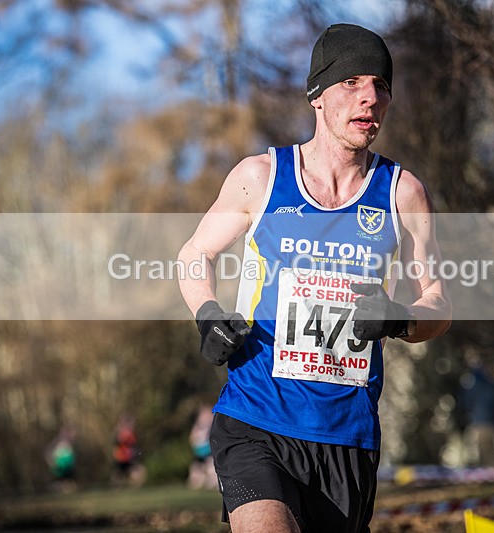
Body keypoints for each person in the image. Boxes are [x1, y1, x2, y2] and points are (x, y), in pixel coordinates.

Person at [178, 23, 451, 533]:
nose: (370, 97)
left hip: (347, 435)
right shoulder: (260, 177)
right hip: (256, 418)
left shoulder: (403, 193)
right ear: (317, 96)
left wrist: (399, 317)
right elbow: (194, 254)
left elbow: (438, 303)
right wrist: (207, 313)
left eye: (382, 85)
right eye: (352, 82)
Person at [187, 404, 218, 489]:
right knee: (196, 470)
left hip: (208, 452)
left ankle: (212, 482)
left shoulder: (212, 428)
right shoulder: (197, 427)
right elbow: (192, 439)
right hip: (199, 452)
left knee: (211, 468)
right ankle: (196, 482)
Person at [111, 414, 146, 487]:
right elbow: (120, 443)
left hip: (128, 456)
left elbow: (134, 446)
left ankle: (132, 486)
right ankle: (122, 487)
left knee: (125, 473)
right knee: (120, 474)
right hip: (123, 457)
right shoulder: (123, 433)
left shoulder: (128, 433)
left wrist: (138, 453)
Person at [45, 424, 77, 493]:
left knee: (68, 478)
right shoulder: (57, 441)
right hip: (60, 462)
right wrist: (51, 461)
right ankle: (59, 489)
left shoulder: (69, 441)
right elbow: (49, 451)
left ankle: (66, 489)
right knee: (60, 478)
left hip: (67, 462)